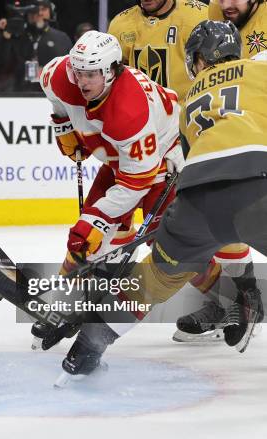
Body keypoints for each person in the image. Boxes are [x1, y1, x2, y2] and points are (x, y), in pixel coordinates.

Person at [58, 20, 266, 382]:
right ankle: (245, 293)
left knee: (153, 278)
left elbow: (198, 164)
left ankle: (89, 346)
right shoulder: (258, 67)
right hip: (256, 184)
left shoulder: (188, 103)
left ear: (198, 62)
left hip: (195, 199)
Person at [109, 0, 257, 345]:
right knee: (169, 226)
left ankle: (238, 301)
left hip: (199, 130)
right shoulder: (121, 24)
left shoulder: (200, 14)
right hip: (145, 135)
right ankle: (230, 301)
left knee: (209, 219)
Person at [35, 30, 184, 371]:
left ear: (112, 71)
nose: (82, 80)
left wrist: (96, 218)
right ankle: (61, 302)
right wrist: (62, 124)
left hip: (163, 156)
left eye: (91, 74)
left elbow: (136, 181)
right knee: (84, 241)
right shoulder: (61, 75)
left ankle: (226, 302)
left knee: (176, 248)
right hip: (123, 158)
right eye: (78, 72)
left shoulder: (129, 109)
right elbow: (54, 94)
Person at [0, 0, 73, 91]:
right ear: (26, 12)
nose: (39, 13)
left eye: (43, 9)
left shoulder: (61, 38)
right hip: (19, 94)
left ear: (50, 13)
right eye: (34, 10)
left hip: (53, 94)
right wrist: (4, 38)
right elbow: (0, 66)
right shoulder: (15, 37)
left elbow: (70, 71)